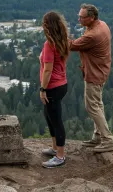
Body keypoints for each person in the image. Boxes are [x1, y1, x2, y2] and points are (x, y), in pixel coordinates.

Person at [69, 3, 113, 153]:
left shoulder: (92, 35)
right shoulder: (102, 25)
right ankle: (98, 136)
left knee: (92, 106)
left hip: (94, 73)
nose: (79, 20)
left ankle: (107, 140)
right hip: (101, 70)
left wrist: (58, 34)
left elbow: (71, 46)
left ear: (91, 17)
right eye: (79, 16)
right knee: (98, 104)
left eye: (82, 17)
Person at [39, 11, 70, 168]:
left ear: (47, 26)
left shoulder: (49, 44)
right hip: (61, 84)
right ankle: (55, 148)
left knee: (56, 120)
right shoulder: (62, 40)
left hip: (52, 86)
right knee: (49, 116)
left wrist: (43, 89)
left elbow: (48, 70)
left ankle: (60, 156)